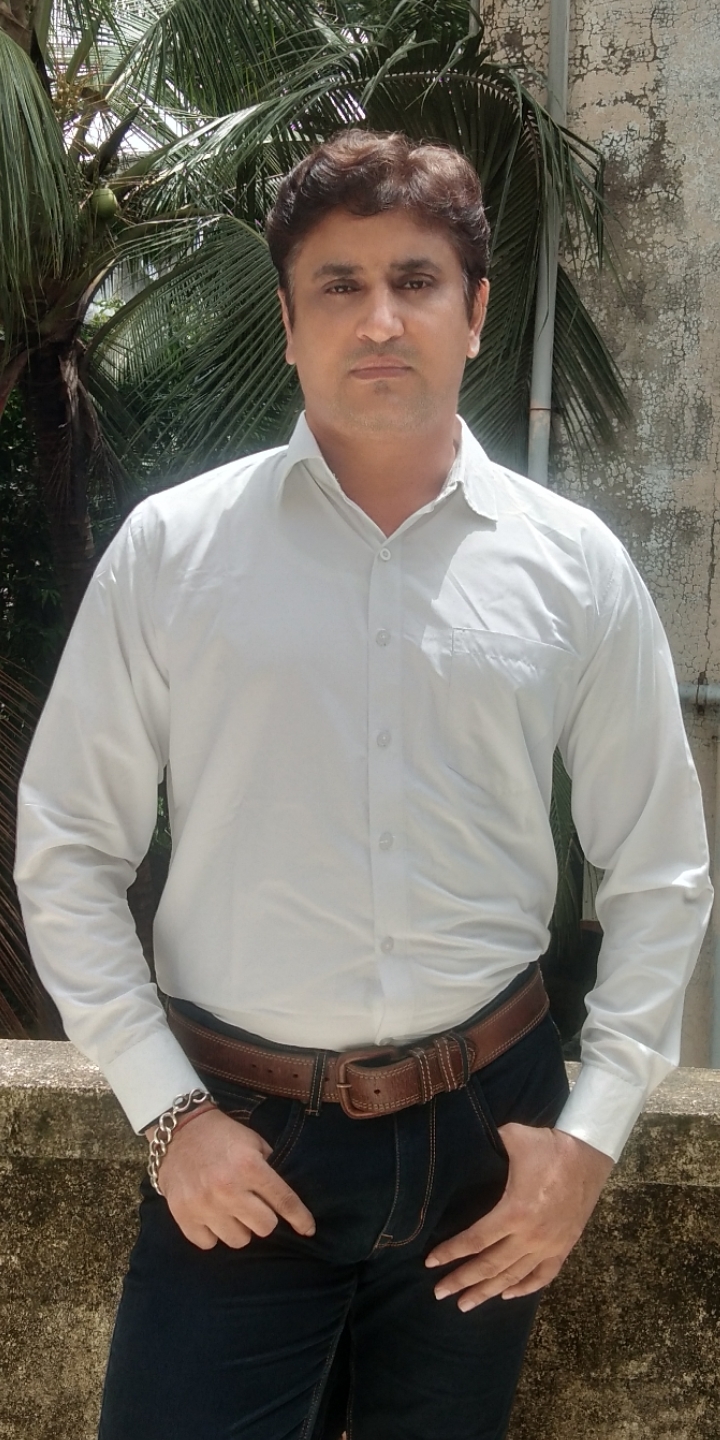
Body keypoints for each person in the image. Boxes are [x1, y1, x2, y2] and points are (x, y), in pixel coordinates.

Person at [14, 130, 712, 1440]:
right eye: (339, 285)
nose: (380, 318)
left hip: (490, 1142)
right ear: (288, 324)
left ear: (475, 312)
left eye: (416, 280)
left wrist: (589, 1137)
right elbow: (66, 852)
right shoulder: (173, 552)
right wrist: (168, 1114)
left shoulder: (576, 570)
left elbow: (664, 871)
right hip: (238, 1136)